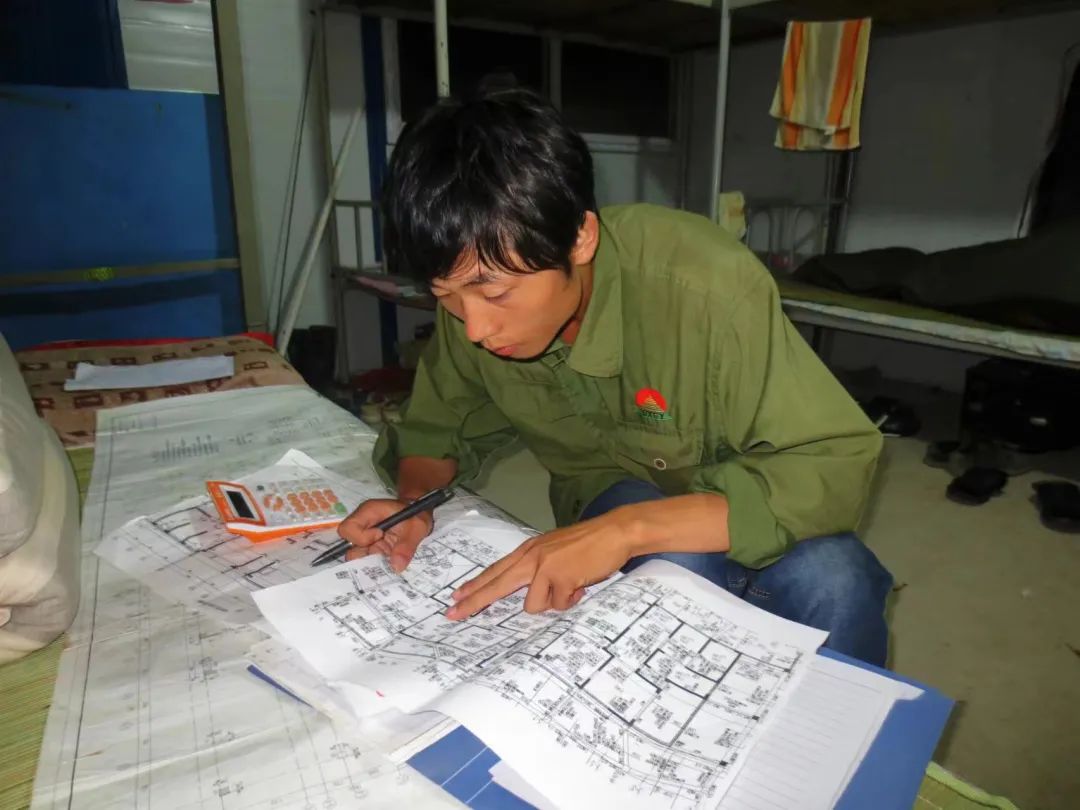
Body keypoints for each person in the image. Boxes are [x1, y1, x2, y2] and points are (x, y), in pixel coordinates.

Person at [338, 86, 892, 666]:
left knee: (840, 583)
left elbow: (833, 464)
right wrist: (412, 506)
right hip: (609, 485)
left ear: (580, 238)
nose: (474, 327)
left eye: (495, 294)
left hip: (742, 493)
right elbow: (434, 433)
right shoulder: (474, 295)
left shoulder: (705, 284)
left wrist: (628, 530)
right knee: (676, 573)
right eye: (445, 295)